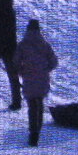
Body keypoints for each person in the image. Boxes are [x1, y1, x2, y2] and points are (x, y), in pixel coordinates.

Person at [13, 19, 58, 147]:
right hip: (43, 78)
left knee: (32, 105)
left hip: (29, 78)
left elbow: (15, 63)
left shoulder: (22, 45)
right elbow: (54, 62)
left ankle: (33, 134)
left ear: (27, 30)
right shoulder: (45, 45)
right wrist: (45, 70)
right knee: (39, 102)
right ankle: (38, 130)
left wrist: (21, 71)